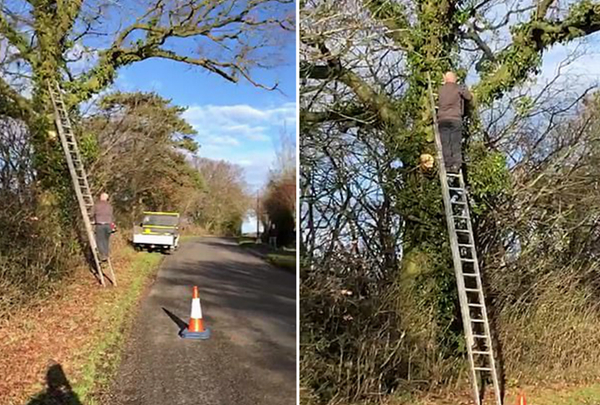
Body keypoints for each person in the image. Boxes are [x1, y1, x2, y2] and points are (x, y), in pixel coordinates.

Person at [437, 71, 472, 173]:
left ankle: (447, 166)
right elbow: (468, 97)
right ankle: (456, 165)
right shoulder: (458, 88)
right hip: (455, 118)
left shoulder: (440, 89)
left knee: (445, 143)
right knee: (455, 143)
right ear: (454, 79)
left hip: (442, 119)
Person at [92, 192, 113, 261]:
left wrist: (92, 220)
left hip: (100, 225)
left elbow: (92, 213)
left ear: (101, 197)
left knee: (99, 240)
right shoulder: (110, 206)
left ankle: (103, 255)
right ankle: (106, 254)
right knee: (106, 241)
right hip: (108, 225)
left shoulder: (97, 205)